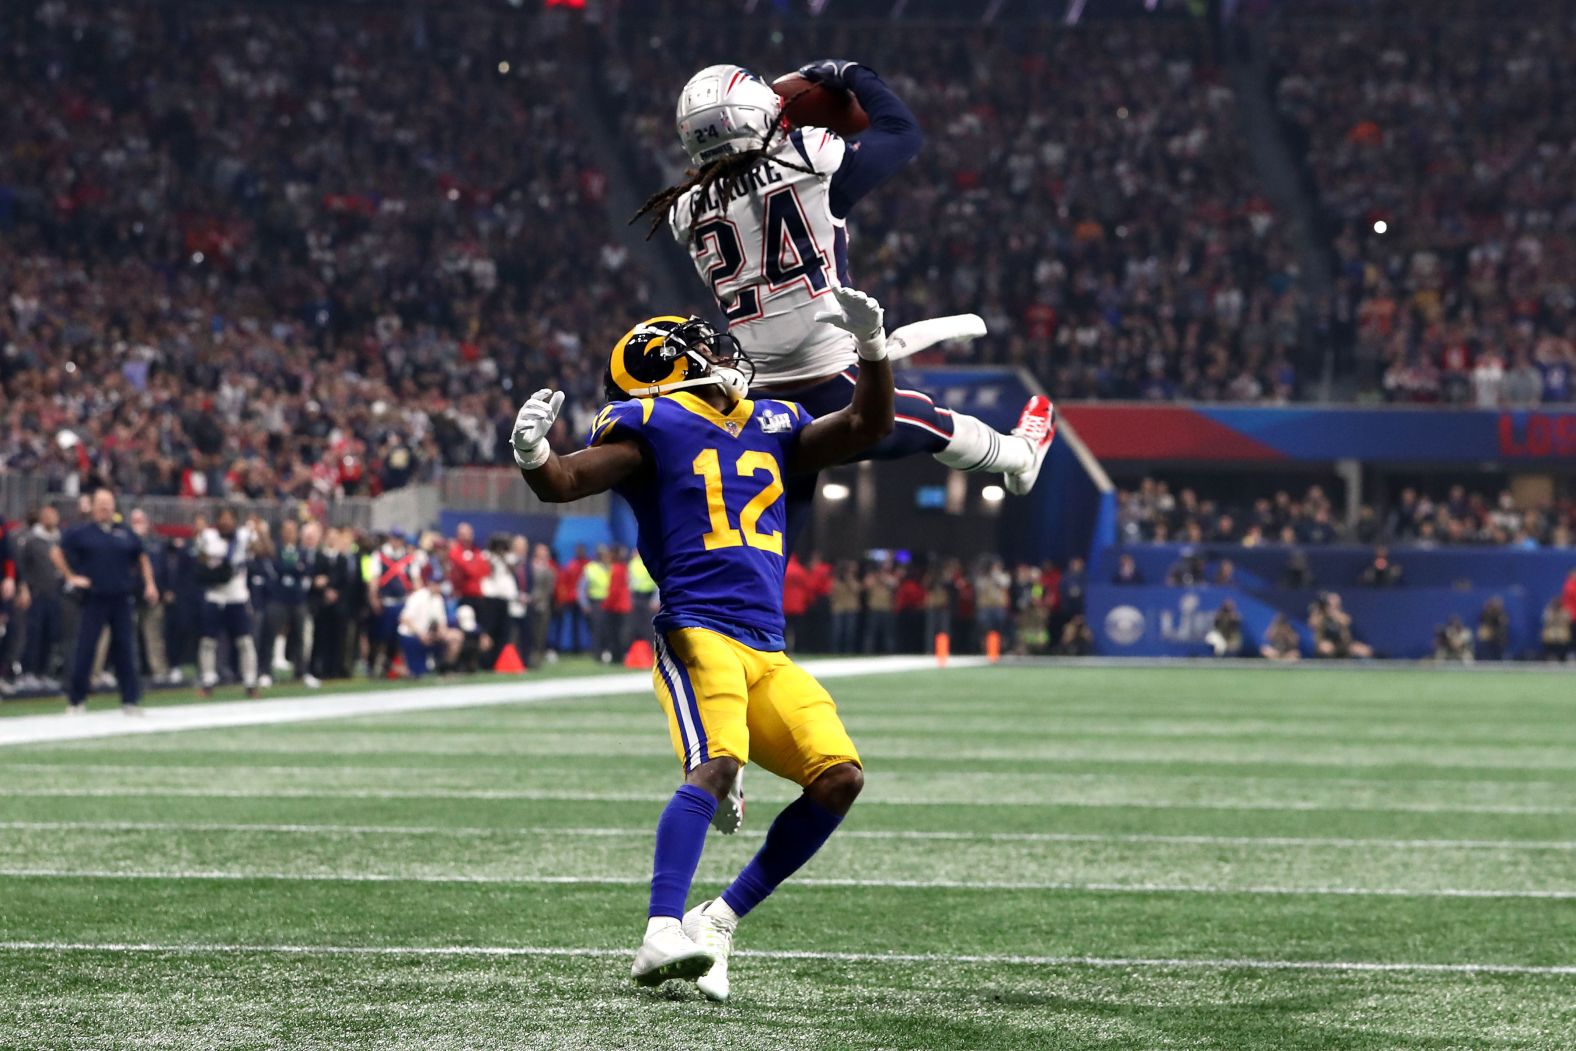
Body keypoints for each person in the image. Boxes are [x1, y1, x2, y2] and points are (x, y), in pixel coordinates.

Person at [508, 285, 892, 1002]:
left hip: (766, 643)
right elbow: (563, 481)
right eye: (699, 344)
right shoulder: (651, 422)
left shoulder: (772, 420)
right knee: (717, 762)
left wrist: (872, 353)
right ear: (664, 364)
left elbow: (867, 427)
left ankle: (715, 918)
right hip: (697, 626)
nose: (720, 350)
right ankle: (659, 929)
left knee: (839, 776)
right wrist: (533, 452)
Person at [638, 62, 1055, 546]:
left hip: (755, 396)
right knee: (928, 422)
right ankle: (1019, 454)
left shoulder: (684, 210)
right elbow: (901, 134)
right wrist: (854, 75)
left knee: (767, 530)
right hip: (829, 379)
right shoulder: (808, 158)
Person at [52, 488, 158, 713]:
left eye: (108, 503)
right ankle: (76, 700)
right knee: (86, 648)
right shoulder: (81, 532)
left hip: (121, 597)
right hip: (94, 598)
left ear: (114, 506)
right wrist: (71, 576)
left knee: (126, 649)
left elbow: (142, 555)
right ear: (92, 506)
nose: (105, 507)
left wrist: (150, 584)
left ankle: (130, 700)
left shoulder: (125, 532)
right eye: (100, 503)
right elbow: (56, 552)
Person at [196, 507, 261, 698]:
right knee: (208, 641)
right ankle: (208, 680)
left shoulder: (242, 536)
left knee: (244, 641)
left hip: (236, 595)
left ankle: (250, 682)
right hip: (214, 595)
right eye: (222, 518)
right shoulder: (208, 536)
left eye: (229, 519)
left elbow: (261, 550)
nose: (225, 522)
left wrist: (257, 532)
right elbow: (200, 562)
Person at [18, 506, 64, 688]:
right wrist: (24, 589)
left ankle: (43, 672)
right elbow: (22, 566)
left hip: (55, 594)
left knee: (50, 634)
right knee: (33, 635)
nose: (51, 519)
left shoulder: (60, 540)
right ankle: (27, 672)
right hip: (37, 593)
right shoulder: (32, 541)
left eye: (54, 515)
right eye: (48, 516)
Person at [397, 568, 463, 677]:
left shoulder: (439, 599)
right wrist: (421, 634)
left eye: (439, 584)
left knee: (455, 637)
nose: (437, 586)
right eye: (435, 583)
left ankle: (445, 669)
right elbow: (404, 619)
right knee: (418, 672)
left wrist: (443, 633)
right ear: (429, 584)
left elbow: (441, 623)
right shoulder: (418, 597)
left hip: (429, 634)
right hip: (412, 635)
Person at [1477, 597, 1510, 661]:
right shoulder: (1486, 614)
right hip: (1489, 635)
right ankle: (1485, 658)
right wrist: (1488, 611)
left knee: (1501, 634)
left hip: (1498, 635)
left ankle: (1501, 658)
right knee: (1484, 633)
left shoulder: (1501, 613)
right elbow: (1483, 623)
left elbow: (1504, 622)